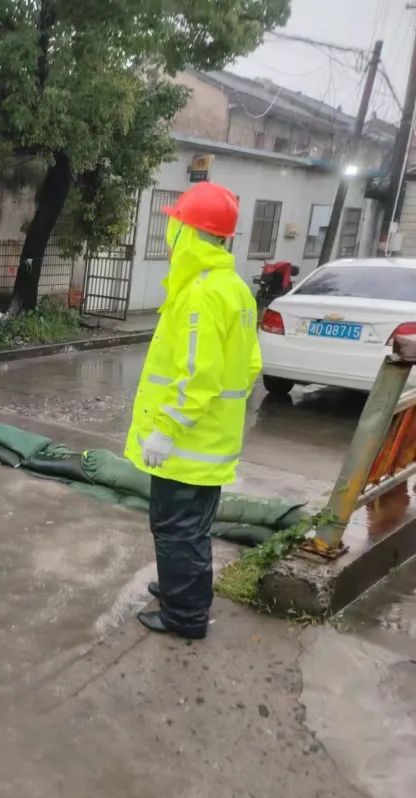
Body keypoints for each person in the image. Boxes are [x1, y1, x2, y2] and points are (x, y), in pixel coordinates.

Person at [124, 182, 261, 640]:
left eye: (174, 224)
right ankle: (181, 590)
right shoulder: (235, 288)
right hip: (210, 441)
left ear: (187, 231)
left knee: (176, 530)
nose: (170, 232)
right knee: (191, 529)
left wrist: (166, 429)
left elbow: (197, 375)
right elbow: (250, 365)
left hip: (186, 444)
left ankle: (184, 616)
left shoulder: (201, 293)